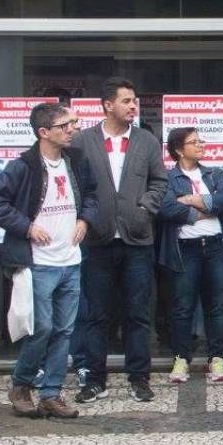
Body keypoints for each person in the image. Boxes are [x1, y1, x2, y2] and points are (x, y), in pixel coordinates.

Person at [0, 103, 98, 420]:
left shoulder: (76, 161)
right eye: (65, 125)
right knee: (41, 328)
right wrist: (27, 227)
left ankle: (51, 393)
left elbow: (92, 195)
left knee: (64, 330)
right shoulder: (24, 166)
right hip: (38, 262)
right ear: (44, 132)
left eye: (74, 123)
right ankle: (22, 384)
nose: (72, 129)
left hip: (70, 260)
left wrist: (86, 219)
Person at [72, 77, 168, 404]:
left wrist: (145, 208)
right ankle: (94, 378)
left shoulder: (146, 141)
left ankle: (139, 377)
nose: (133, 106)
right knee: (96, 314)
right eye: (126, 100)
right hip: (97, 241)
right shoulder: (83, 141)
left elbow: (160, 182)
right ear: (107, 105)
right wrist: (84, 217)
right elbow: (74, 183)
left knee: (138, 312)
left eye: (134, 100)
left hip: (137, 240)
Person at [158, 126, 223, 385]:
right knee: (182, 307)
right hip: (185, 248)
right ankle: (181, 357)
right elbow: (166, 207)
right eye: (194, 142)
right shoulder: (169, 178)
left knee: (215, 305)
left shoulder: (214, 173)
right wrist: (202, 210)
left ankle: (217, 357)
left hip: (215, 245)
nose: (201, 145)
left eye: (201, 140)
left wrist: (190, 200)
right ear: (179, 150)